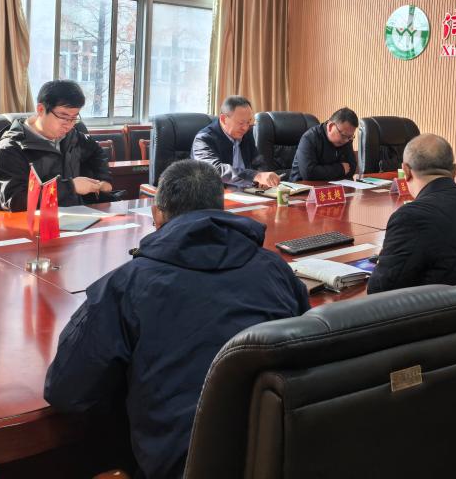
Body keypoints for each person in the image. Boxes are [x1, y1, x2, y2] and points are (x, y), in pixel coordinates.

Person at [44, 160, 309, 479]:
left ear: (156, 214)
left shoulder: (128, 284)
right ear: (221, 208)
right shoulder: (276, 269)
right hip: (279, 456)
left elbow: (65, 391)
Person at [368, 134, 456, 317]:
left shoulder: (411, 217)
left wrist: (383, 260)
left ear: (406, 171)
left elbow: (379, 292)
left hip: (438, 327)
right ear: (454, 171)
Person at [0, 79, 113, 211]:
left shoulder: (71, 136)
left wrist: (104, 179)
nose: (69, 125)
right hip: (38, 220)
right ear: (41, 110)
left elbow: (96, 151)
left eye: (74, 118)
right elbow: (17, 200)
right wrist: (71, 187)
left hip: (78, 214)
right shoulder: (10, 148)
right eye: (63, 117)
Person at [191, 96, 280, 188]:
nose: (245, 128)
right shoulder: (203, 139)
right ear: (223, 119)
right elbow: (215, 170)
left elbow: (257, 161)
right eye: (241, 123)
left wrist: (264, 176)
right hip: (215, 193)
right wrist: (256, 176)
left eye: (248, 122)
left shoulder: (246, 133)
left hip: (246, 192)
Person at [289, 107, 358, 182]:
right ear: (330, 126)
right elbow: (309, 173)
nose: (346, 140)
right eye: (343, 135)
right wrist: (341, 169)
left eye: (350, 137)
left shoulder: (346, 139)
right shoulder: (309, 138)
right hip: (302, 186)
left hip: (332, 185)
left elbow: (352, 168)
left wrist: (323, 172)